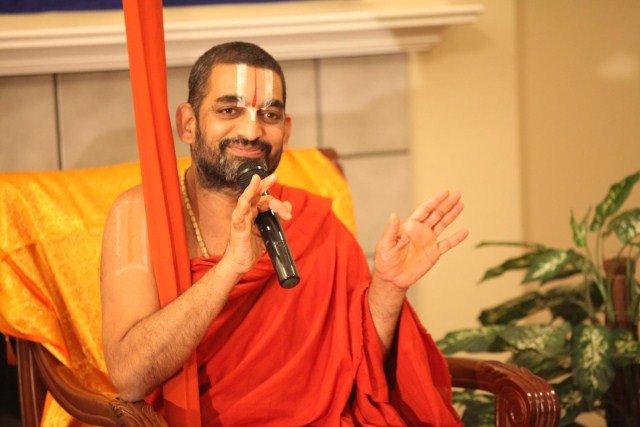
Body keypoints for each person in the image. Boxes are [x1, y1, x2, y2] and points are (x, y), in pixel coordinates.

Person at [100, 41, 468, 426]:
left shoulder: (311, 221)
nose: (251, 131)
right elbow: (130, 376)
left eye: (270, 115)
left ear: (286, 130)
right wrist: (229, 269)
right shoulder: (141, 214)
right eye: (229, 110)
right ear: (188, 124)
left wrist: (388, 288)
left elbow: (358, 366)